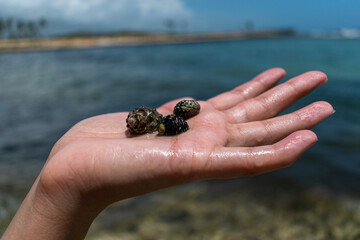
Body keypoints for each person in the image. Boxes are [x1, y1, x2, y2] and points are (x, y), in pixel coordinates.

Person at [2, 68, 334, 240]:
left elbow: (174, 118)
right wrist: (63, 185)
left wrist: (60, 194)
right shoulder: (158, 121)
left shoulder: (169, 119)